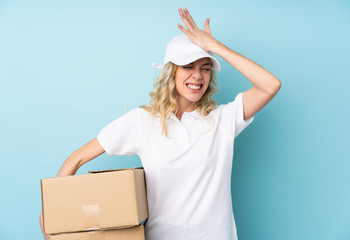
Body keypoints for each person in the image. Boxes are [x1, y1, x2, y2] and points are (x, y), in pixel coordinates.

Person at [40, 7, 281, 240]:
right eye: (188, 67)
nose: (198, 76)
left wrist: (215, 47)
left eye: (205, 68)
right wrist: (53, 214)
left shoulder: (222, 119)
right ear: (171, 73)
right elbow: (76, 159)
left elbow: (270, 85)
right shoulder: (141, 121)